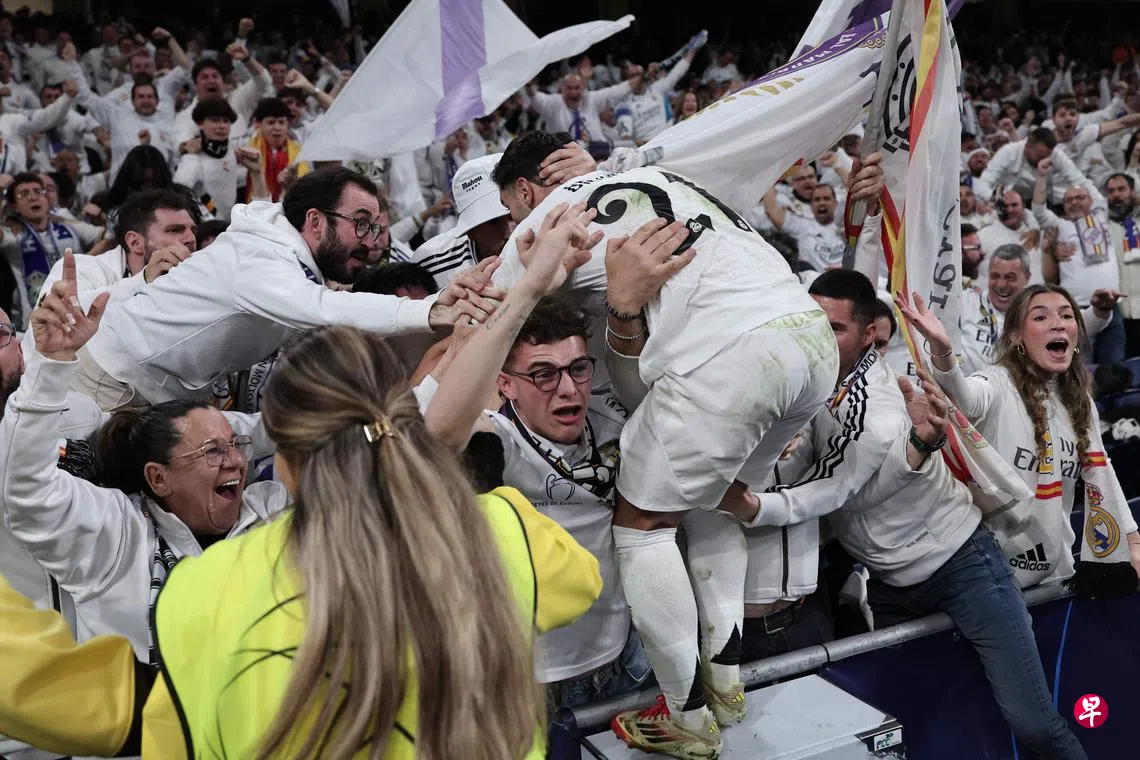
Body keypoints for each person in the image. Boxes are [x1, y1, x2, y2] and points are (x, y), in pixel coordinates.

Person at [143, 203, 607, 759]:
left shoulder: (196, 591)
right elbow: (581, 583)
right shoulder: (501, 532)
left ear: (283, 458)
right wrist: (524, 290)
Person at [491, 131, 883, 757]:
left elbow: (490, 318)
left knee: (642, 527)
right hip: (807, 342)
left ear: (525, 190)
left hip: (733, 355)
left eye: (511, 210)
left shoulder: (547, 220)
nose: (512, 225)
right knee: (715, 503)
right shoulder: (668, 178)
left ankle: (687, 717)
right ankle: (725, 684)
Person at [722, 269, 1091, 760]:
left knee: (1035, 723)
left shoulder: (878, 405)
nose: (817, 338)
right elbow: (816, 454)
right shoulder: (816, 379)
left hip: (963, 569)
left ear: (869, 333)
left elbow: (839, 489)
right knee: (909, 724)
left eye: (834, 328)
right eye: (811, 322)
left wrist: (754, 506)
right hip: (889, 582)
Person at [1, 251, 282, 662]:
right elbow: (27, 488)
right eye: (213, 452)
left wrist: (298, 423)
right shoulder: (116, 537)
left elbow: (152, 433)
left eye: (3, 334)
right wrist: (50, 369)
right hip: (33, 675)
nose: (235, 461)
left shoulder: (76, 415)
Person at [72, 167, 499, 411]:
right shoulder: (260, 256)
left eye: (375, 226)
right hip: (111, 382)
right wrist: (430, 309)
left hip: (159, 390)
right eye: (360, 223)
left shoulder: (291, 258)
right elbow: (320, 309)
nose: (370, 241)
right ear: (314, 221)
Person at [899, 285, 1140, 595]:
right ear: (1016, 336)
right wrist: (943, 352)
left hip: (1058, 574)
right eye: (1040, 317)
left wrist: (1133, 541)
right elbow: (965, 396)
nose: (1057, 324)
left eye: (1066, 316)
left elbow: (1102, 474)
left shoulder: (1080, 402)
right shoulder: (997, 383)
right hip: (995, 579)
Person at [960, 243, 1115, 376]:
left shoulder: (1038, 306)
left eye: (1010, 277)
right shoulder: (967, 301)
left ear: (1027, 277)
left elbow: (1083, 323)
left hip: (1019, 394)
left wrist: (1101, 309)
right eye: (995, 276)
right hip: (969, 392)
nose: (1001, 285)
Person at [1032, 157, 1125, 362]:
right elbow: (1038, 209)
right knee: (1081, 370)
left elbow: (1080, 179)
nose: (1074, 202)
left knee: (1115, 368)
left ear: (1091, 200)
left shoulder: (1101, 215)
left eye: (1080, 197)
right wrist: (1041, 176)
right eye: (1068, 200)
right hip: (1076, 309)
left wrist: (1062, 160)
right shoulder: (1059, 226)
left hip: (1111, 306)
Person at [0, 171, 102, 328]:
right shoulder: (14, 234)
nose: (33, 197)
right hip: (34, 327)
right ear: (15, 207)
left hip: (79, 317)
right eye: (24, 194)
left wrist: (102, 219)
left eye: (37, 191)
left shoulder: (69, 226)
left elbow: (110, 237)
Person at [174, 98, 268, 220]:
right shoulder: (192, 158)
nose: (221, 126)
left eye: (226, 121)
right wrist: (209, 216)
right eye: (215, 120)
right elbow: (178, 192)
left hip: (230, 223)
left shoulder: (235, 149)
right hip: (204, 225)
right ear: (200, 124)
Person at [975, 127, 1101, 206]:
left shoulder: (1056, 155)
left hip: (1042, 203)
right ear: (1027, 148)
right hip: (1004, 201)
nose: (1044, 161)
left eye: (1047, 156)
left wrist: (1100, 203)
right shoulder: (1008, 152)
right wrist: (1001, 201)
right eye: (1040, 157)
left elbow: (1080, 181)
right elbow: (982, 185)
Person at [761, 182, 844, 271]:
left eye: (826, 198)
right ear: (811, 205)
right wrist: (770, 179)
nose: (821, 203)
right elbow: (772, 211)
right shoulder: (802, 224)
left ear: (836, 203)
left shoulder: (846, 223)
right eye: (817, 199)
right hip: (814, 278)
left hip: (847, 275)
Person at [1104, 172, 1140, 356]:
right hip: (1118, 315)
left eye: (1121, 189)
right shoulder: (1101, 227)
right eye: (1111, 191)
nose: (1116, 195)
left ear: (1133, 192)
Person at [977, 190, 1042, 284]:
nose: (1009, 210)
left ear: (1023, 206)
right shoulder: (983, 235)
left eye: (1014, 205)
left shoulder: (1036, 234)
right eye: (1005, 206)